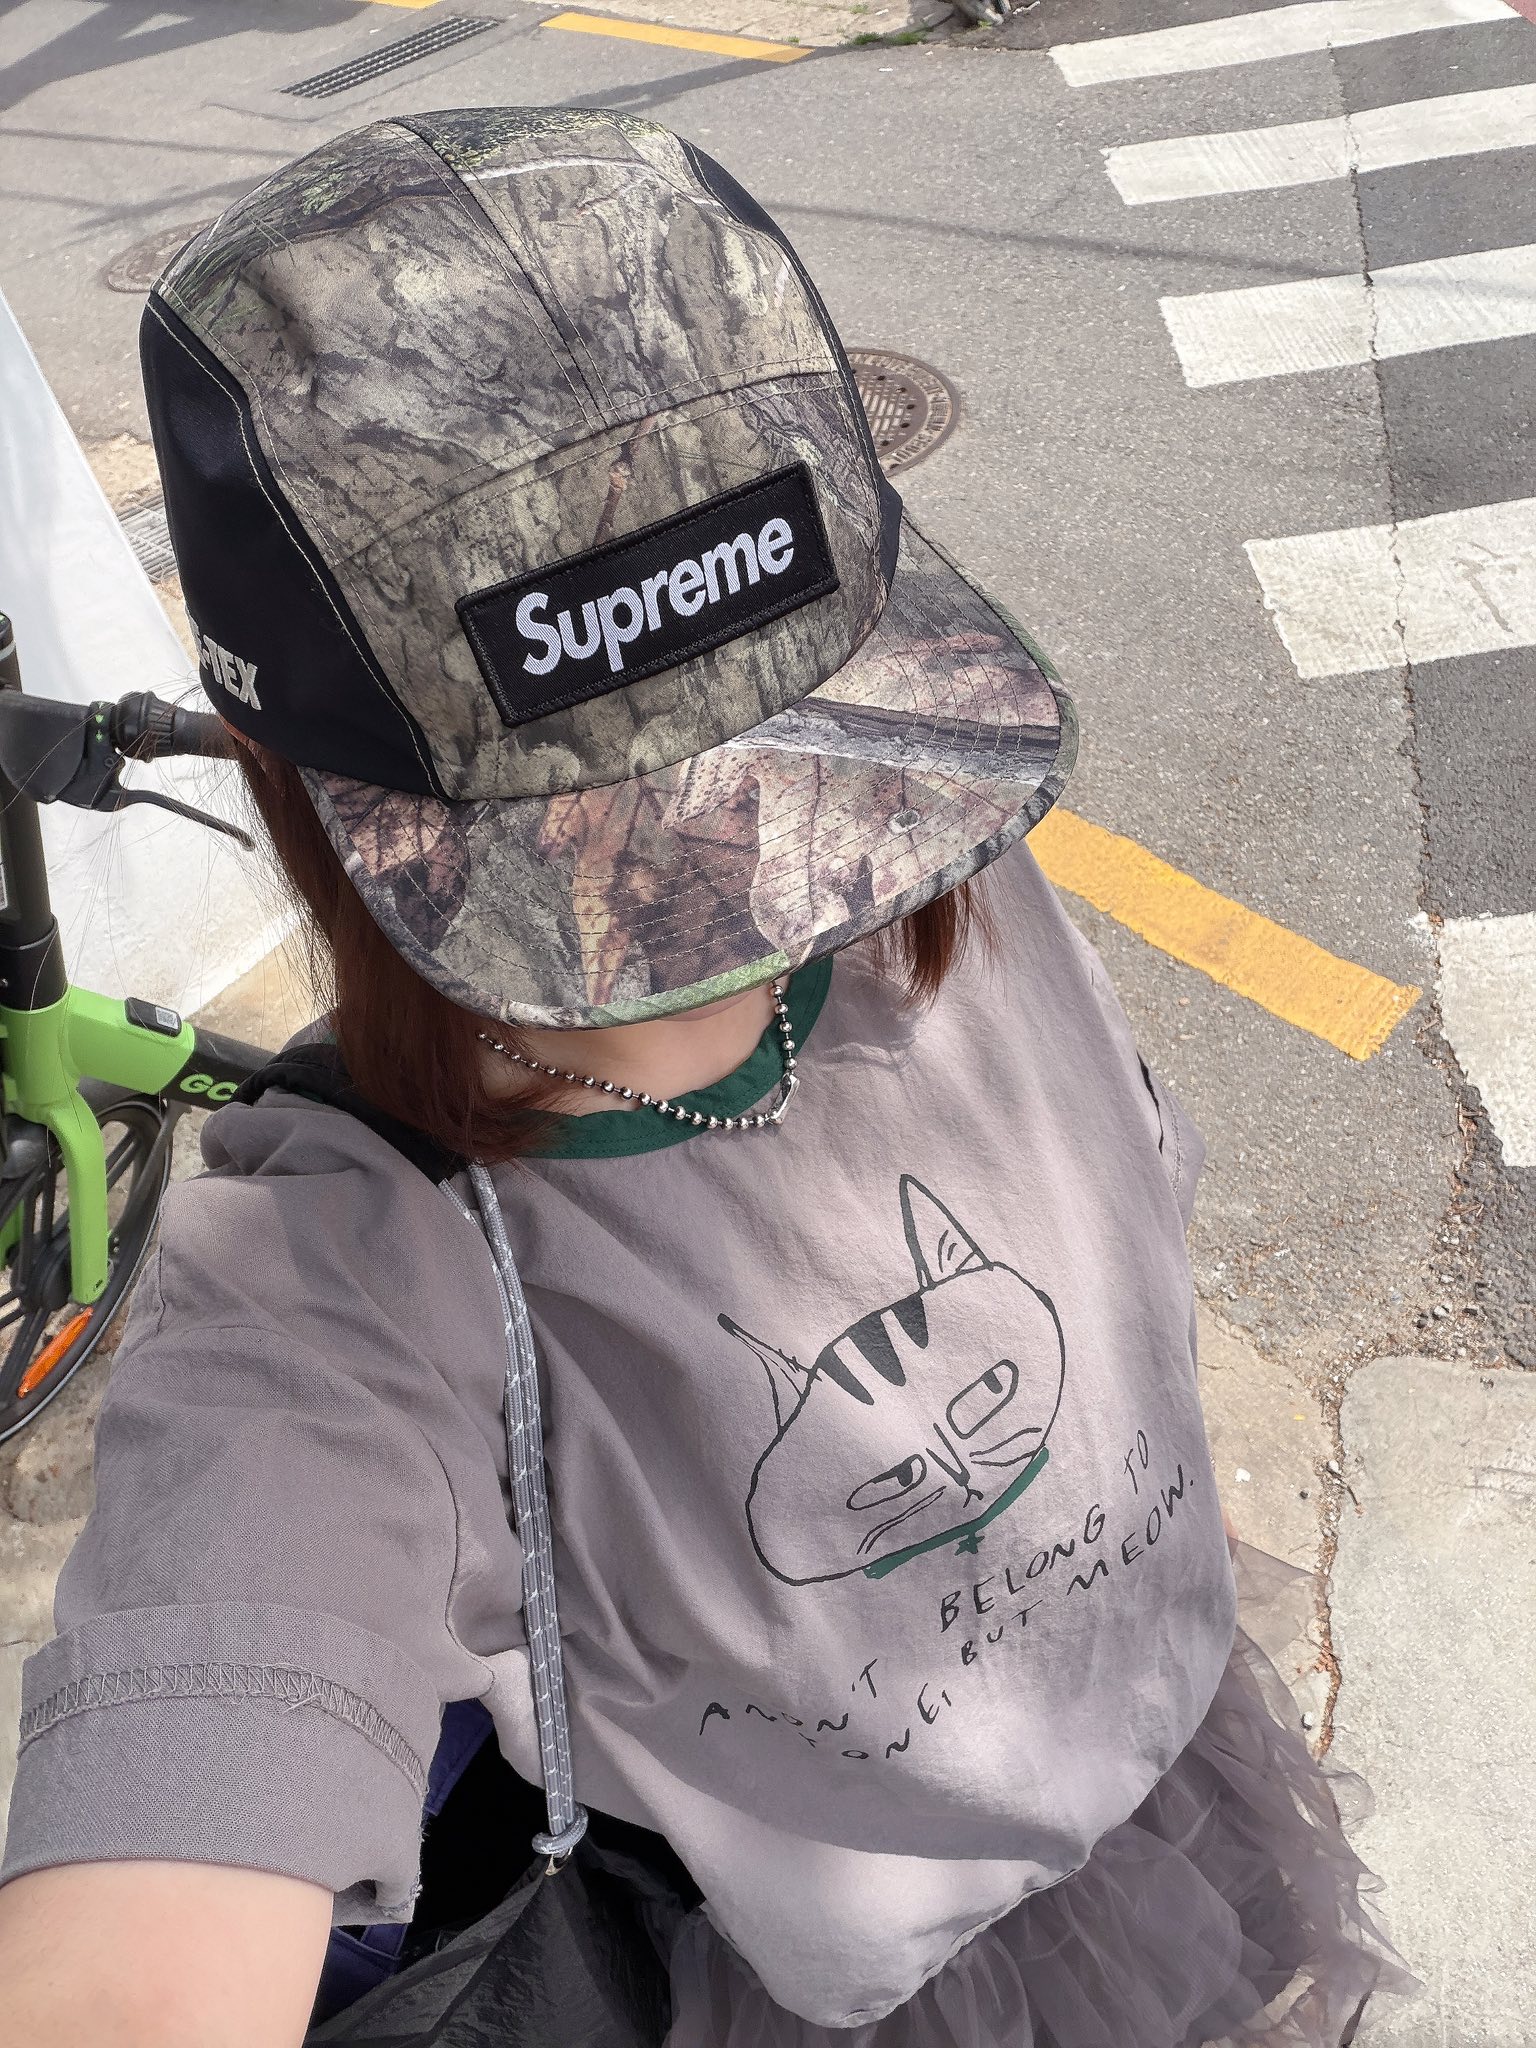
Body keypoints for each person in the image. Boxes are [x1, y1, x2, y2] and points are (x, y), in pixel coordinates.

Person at [0, 107, 1410, 2047]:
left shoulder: (936, 876)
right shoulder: (334, 1286)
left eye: (786, 786)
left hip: (1168, 1764)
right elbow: (169, 1853)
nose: (755, 893)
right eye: (596, 861)